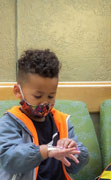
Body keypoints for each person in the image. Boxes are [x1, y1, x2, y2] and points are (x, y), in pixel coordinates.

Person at [0, 49, 89, 180]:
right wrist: (45, 151)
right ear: (18, 91)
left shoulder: (62, 121)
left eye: (51, 96)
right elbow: (8, 161)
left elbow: (75, 167)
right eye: (38, 96)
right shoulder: (9, 123)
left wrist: (73, 151)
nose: (45, 103)